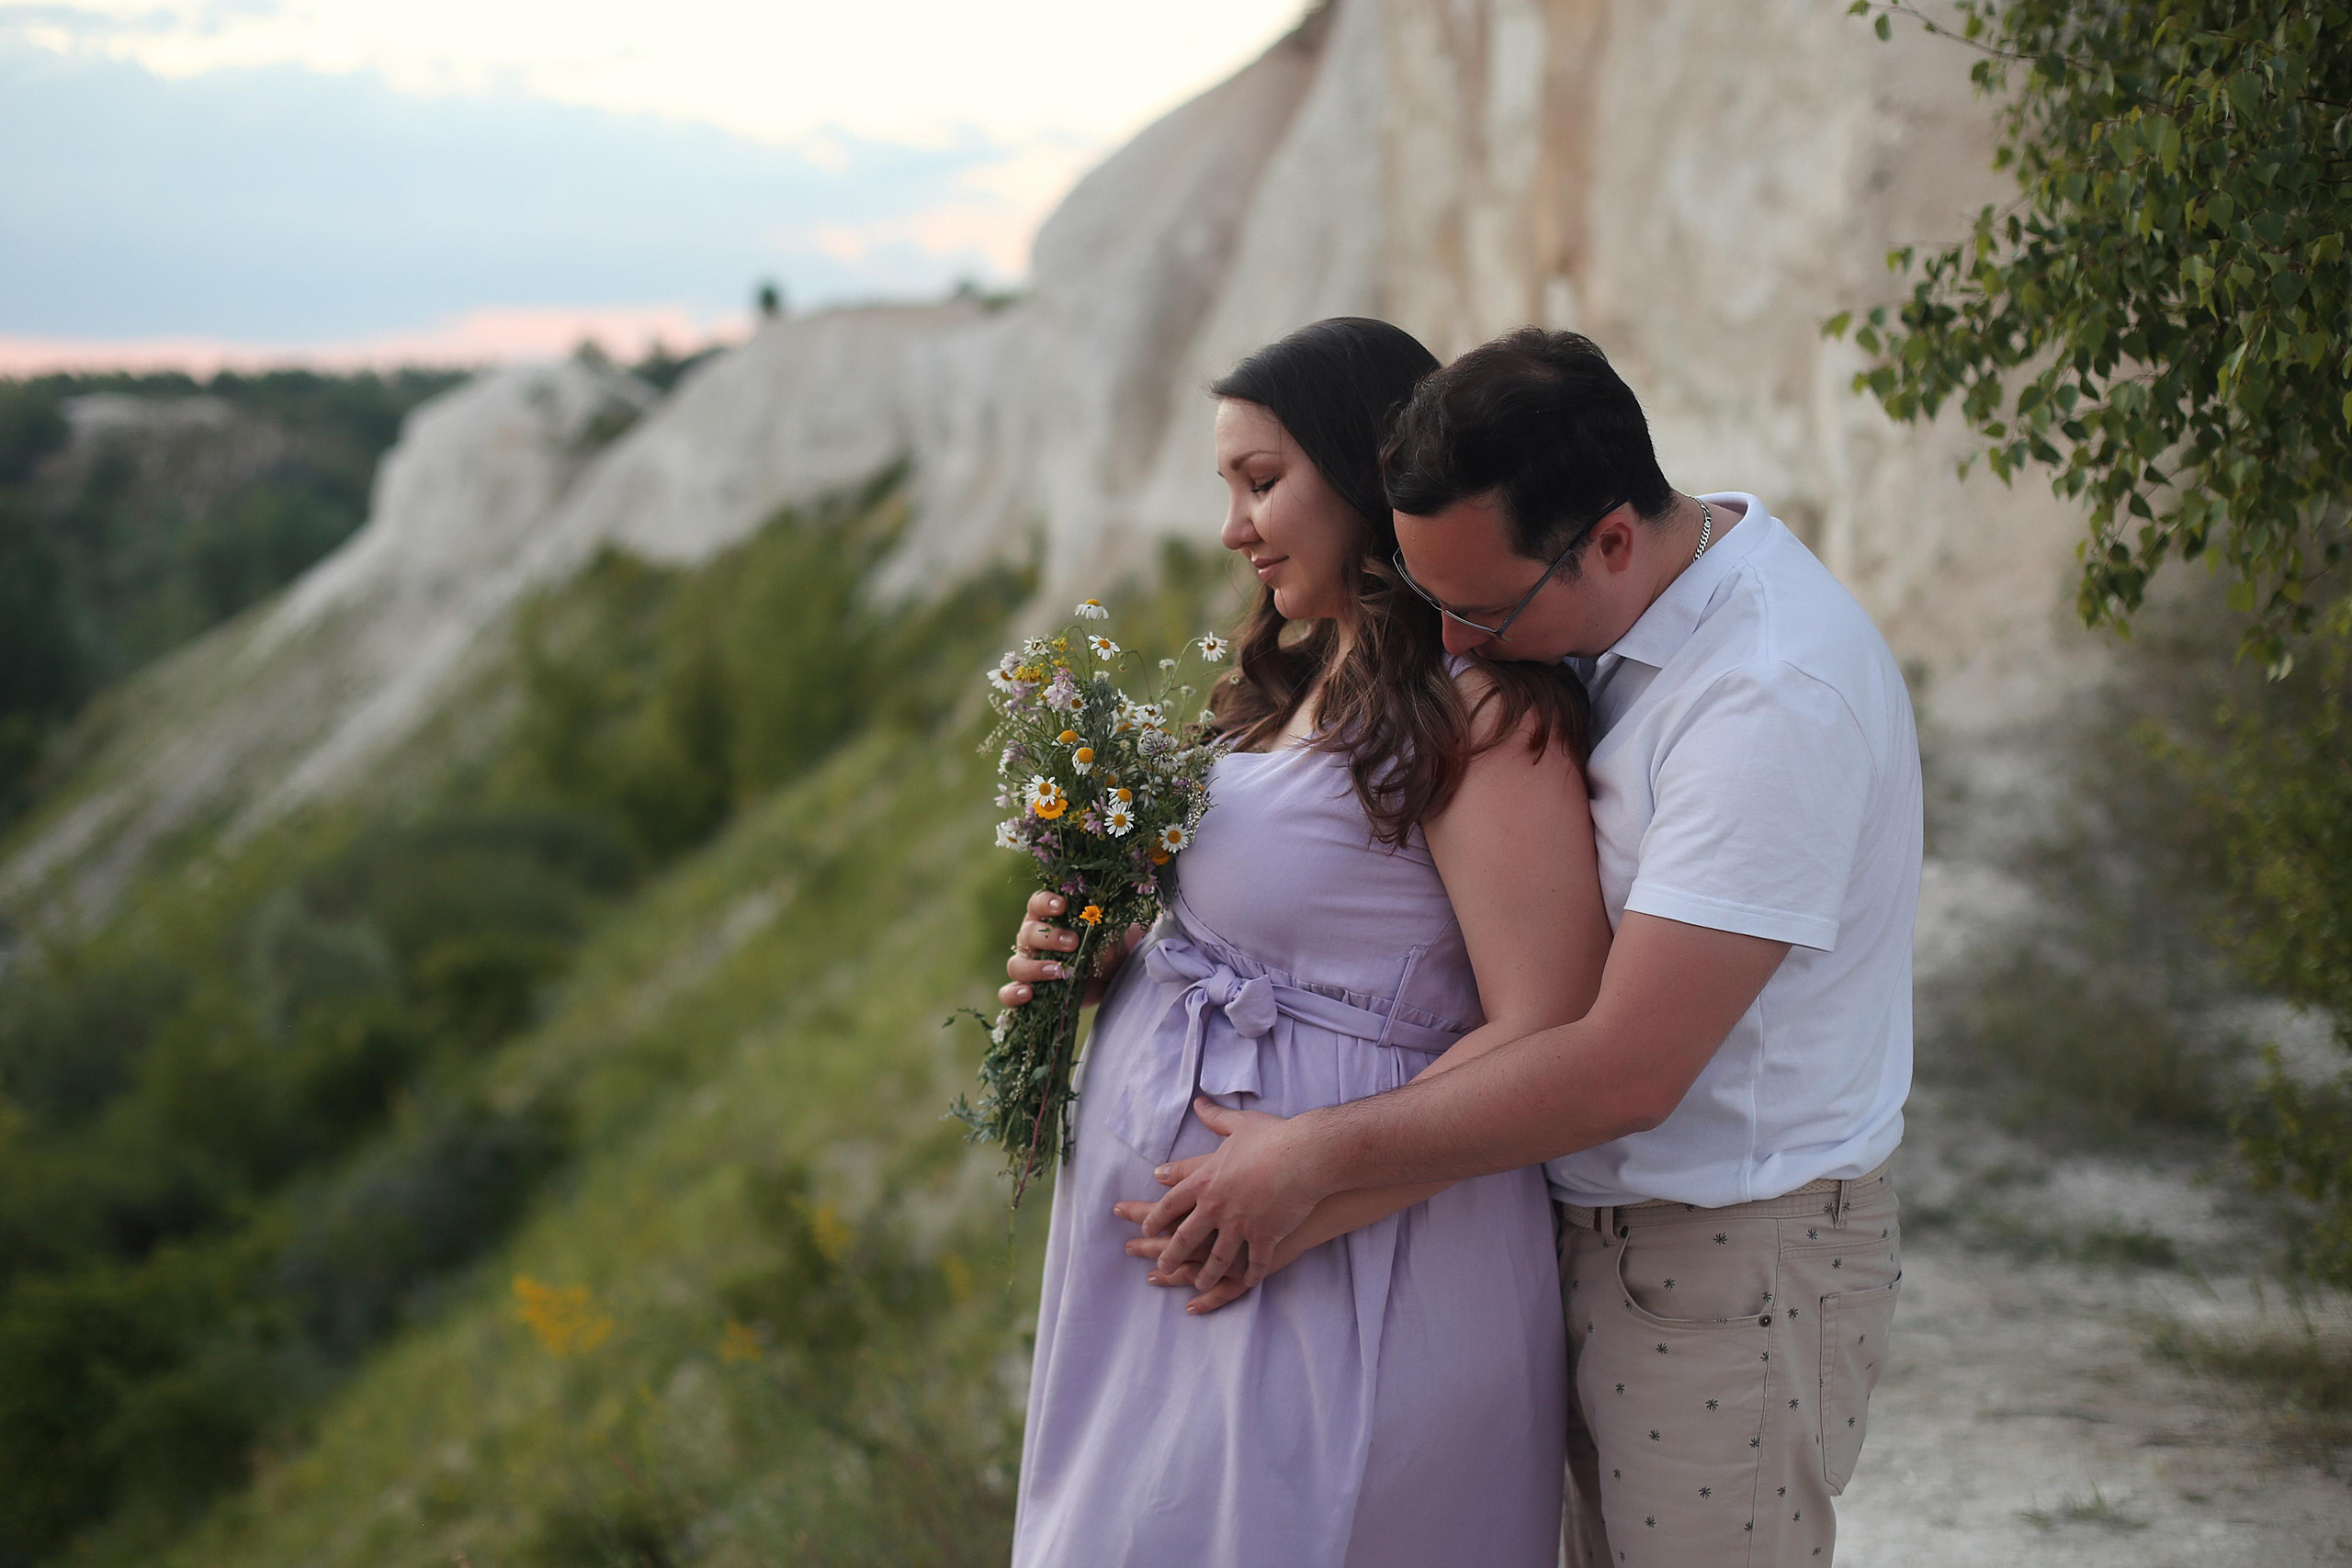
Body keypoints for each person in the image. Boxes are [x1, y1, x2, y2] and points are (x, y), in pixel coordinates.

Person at [1122, 328, 1922, 1566]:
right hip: (1588, 1227)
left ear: (1611, 540)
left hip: (1727, 1253)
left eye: (1483, 610)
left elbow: (1626, 1067)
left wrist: (1311, 1165)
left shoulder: (1769, 696)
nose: (1452, 644)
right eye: (1434, 600)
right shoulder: (1624, 599)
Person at [999, 318, 1611, 1568]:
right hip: (1207, 1260)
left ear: (1364, 471)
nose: (1235, 528)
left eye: (1262, 481)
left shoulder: (1480, 711)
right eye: (1227, 487)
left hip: (1353, 1255)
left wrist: (1312, 1188)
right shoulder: (1287, 688)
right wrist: (1112, 957)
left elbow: (1551, 1019)